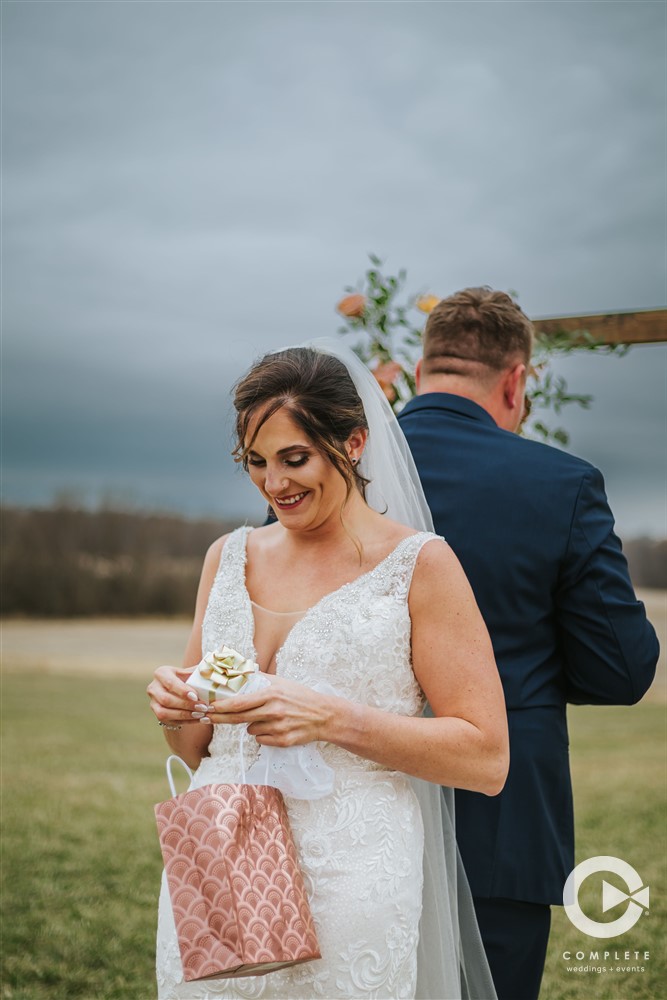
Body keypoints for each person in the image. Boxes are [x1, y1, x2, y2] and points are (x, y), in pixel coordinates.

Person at [147, 342, 509, 1000]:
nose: (273, 483)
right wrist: (179, 707)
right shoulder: (226, 558)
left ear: (353, 443)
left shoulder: (419, 566)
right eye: (255, 462)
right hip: (220, 856)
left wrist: (332, 718)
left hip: (350, 869)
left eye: (295, 458)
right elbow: (196, 748)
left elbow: (485, 757)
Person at [396, 287, 659, 1000]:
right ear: (515, 381)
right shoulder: (560, 483)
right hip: (499, 829)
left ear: (417, 370)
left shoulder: (325, 474)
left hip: (344, 810)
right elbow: (621, 670)